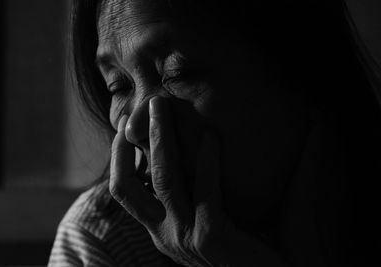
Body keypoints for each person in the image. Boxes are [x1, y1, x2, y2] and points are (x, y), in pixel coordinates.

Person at [49, 0, 381, 266]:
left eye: (178, 73)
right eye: (118, 85)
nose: (134, 128)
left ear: (302, 72)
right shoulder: (105, 240)